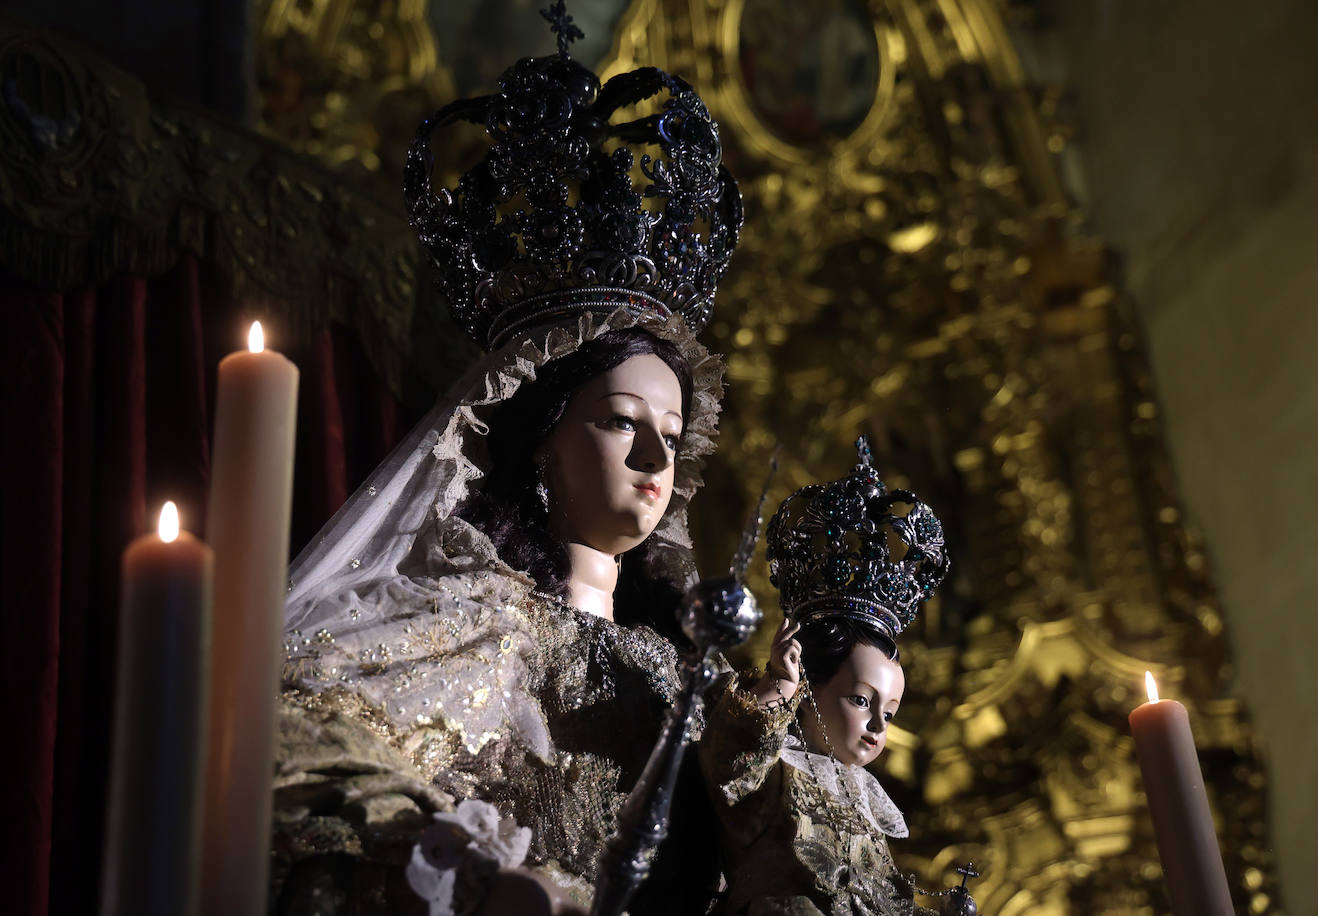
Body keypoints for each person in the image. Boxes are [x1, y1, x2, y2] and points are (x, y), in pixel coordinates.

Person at [269, 5, 744, 913]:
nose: (655, 455)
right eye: (619, 422)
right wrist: (484, 880)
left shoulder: (696, 678)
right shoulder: (483, 627)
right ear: (540, 445)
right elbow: (300, 747)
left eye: (675, 437)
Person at [700, 437, 953, 915]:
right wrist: (778, 684)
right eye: (861, 701)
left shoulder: (865, 801)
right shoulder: (776, 770)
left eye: (890, 712)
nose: (879, 727)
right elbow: (728, 763)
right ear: (810, 687)